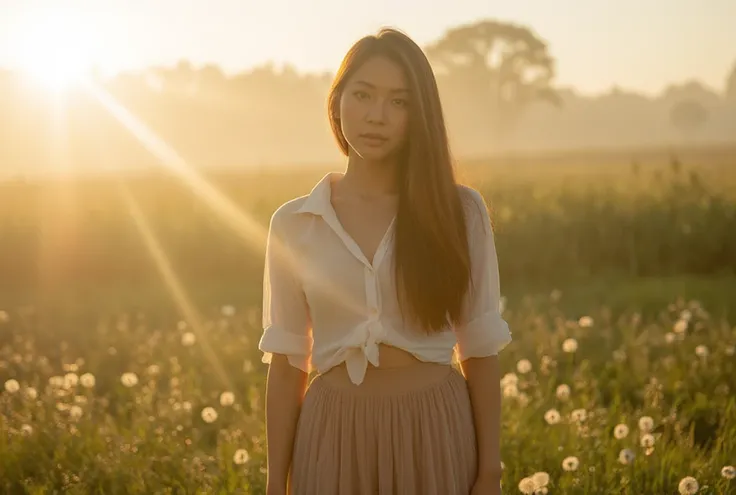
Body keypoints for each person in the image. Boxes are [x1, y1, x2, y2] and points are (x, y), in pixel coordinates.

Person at [258, 26, 512, 495]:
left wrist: (489, 471)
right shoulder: (294, 223)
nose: (377, 116)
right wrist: (276, 483)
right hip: (333, 435)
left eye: (399, 102)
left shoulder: (460, 211)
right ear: (337, 102)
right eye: (363, 95)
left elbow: (479, 347)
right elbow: (287, 361)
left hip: (435, 430)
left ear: (420, 116)